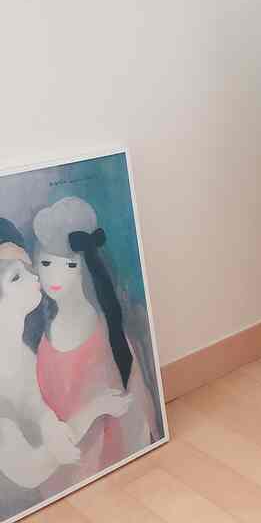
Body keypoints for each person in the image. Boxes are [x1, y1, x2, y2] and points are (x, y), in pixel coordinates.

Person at [0, 223, 128, 519]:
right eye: (15, 276)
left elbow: (34, 403)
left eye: (28, 266)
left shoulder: (23, 354)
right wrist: (90, 412)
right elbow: (29, 469)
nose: (35, 277)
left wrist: (50, 425)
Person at [32, 197, 157, 492]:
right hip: (62, 466)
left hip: (108, 459)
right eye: (47, 263)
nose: (54, 275)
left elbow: (134, 406)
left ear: (86, 266)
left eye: (69, 264)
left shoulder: (105, 332)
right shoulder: (42, 335)